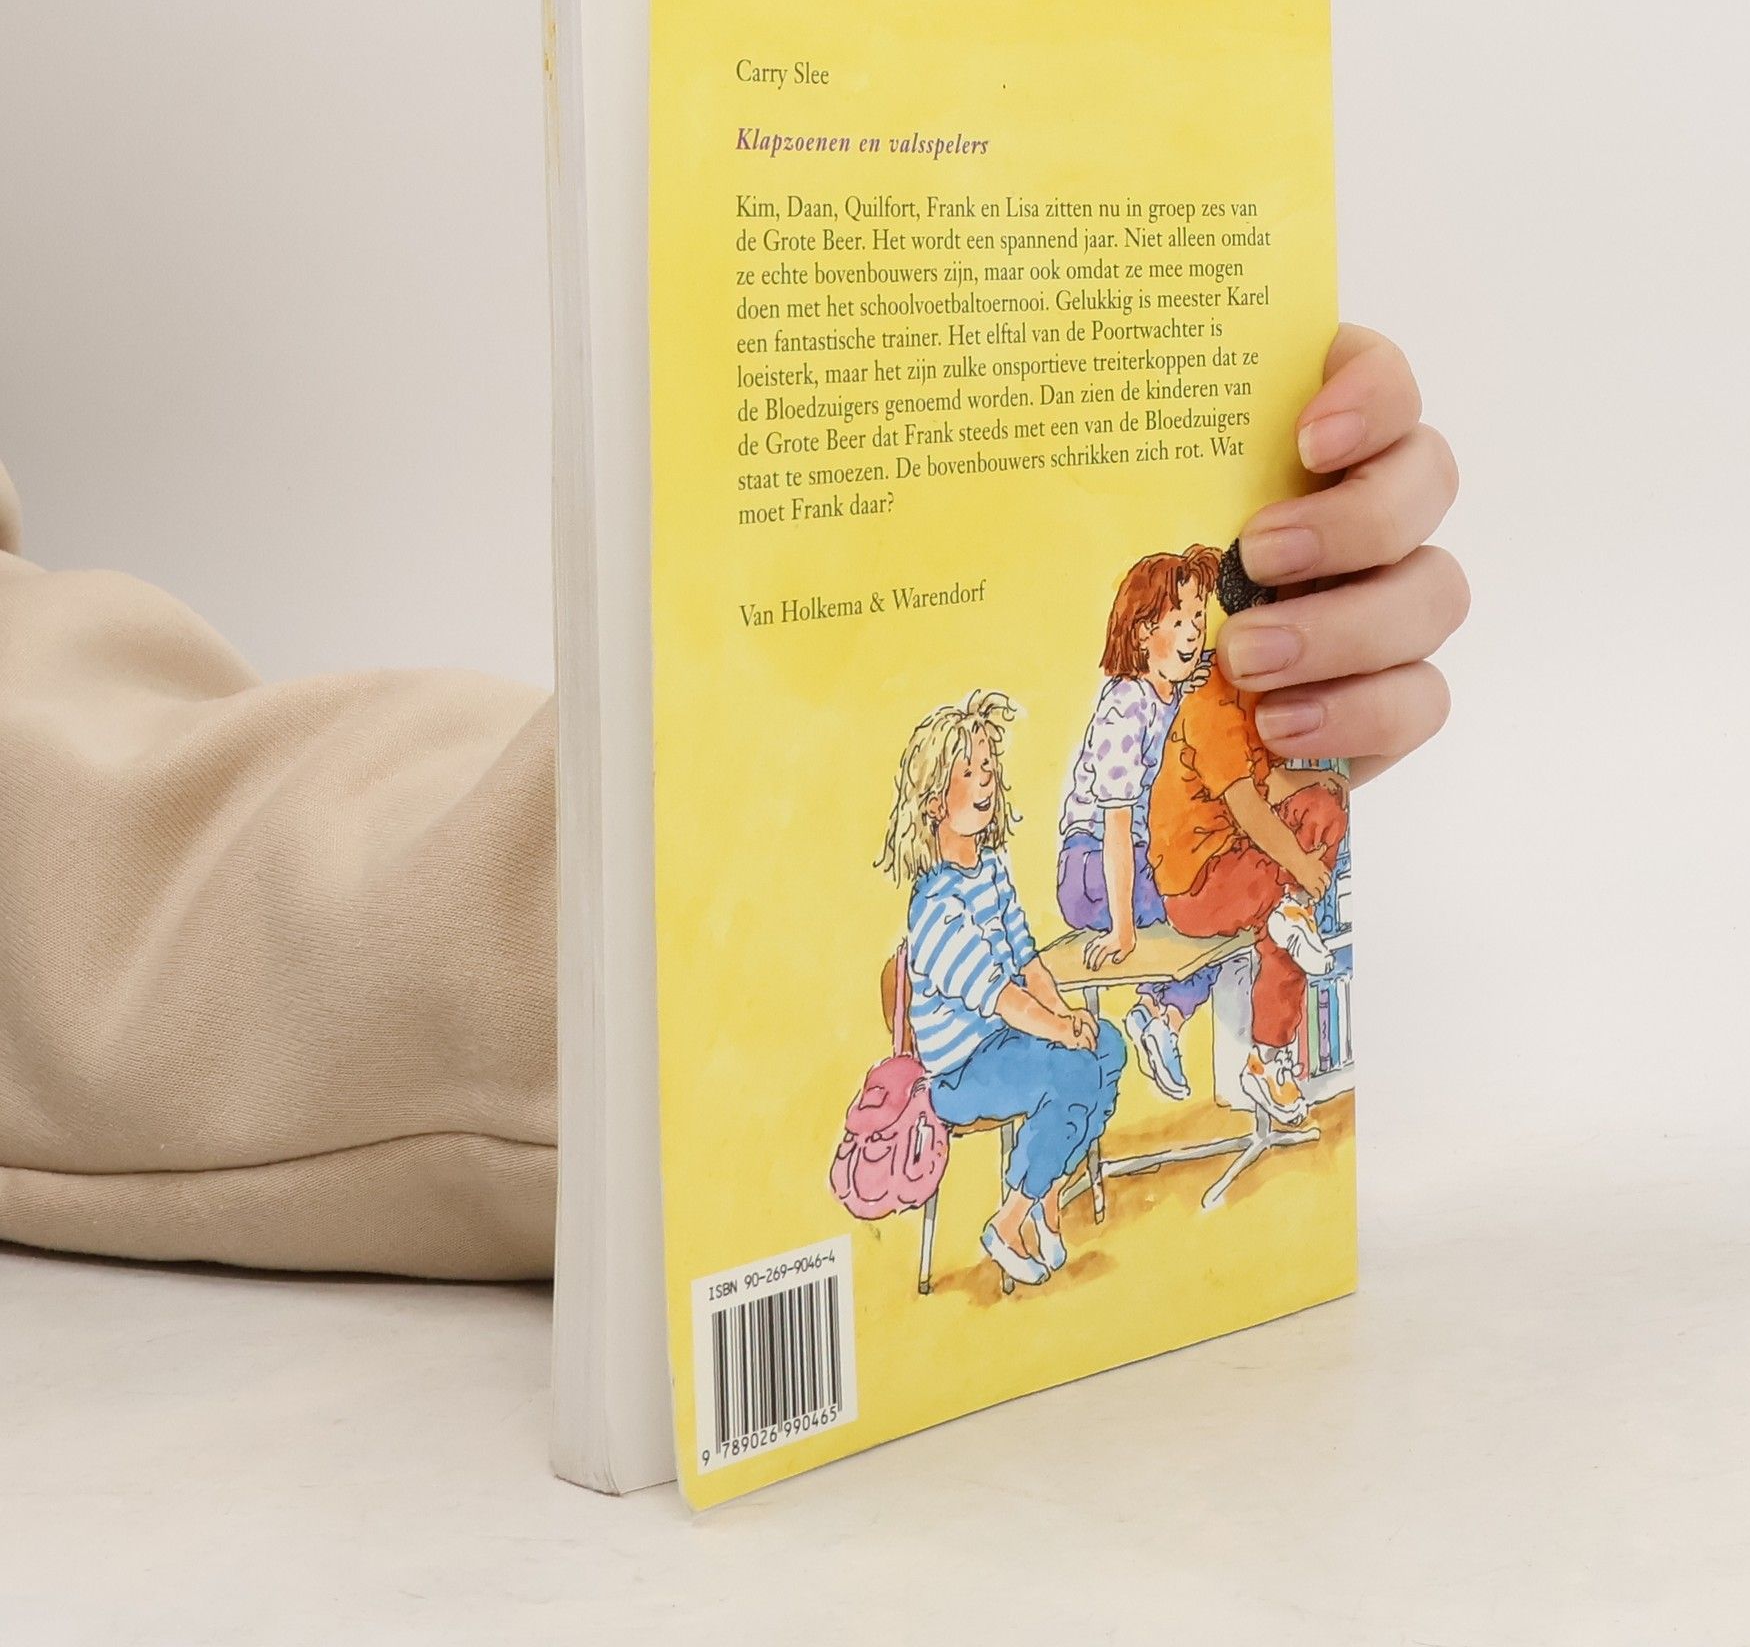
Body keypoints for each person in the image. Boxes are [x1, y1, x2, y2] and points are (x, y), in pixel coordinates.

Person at [0, 325, 1465, 1278]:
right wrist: (632, 912)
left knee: (1174, 955)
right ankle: (1042, 1181)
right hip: (998, 971)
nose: (988, 799)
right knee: (1122, 997)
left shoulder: (1035, 816)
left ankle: (1162, 1049)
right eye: (973, 786)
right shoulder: (1007, 832)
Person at [877, 691, 1127, 1288]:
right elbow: (1000, 996)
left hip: (1009, 1044)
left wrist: (1067, 1014)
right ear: (934, 800)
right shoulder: (935, 905)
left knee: (1108, 1047)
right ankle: (1008, 1222)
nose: (985, 780)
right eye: (967, 771)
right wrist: (1058, 1031)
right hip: (959, 1072)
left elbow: (1026, 960)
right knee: (1071, 1069)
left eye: (988, 766)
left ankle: (1045, 1197)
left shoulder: (991, 870)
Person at [1056, 543, 1223, 1100]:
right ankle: (1158, 1014)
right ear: (1142, 632)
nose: (1193, 632)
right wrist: (1122, 929)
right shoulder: (1125, 707)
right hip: (1093, 868)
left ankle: (1160, 1018)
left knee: (1217, 906)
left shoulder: (1176, 691)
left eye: (1198, 616)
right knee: (1201, 907)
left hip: (1145, 860)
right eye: (1177, 621)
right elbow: (1117, 825)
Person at [1149, 663, 1349, 1126]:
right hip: (1198, 887)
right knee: (1284, 907)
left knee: (1323, 812)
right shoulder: (1210, 707)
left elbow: (1267, 784)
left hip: (1248, 866)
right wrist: (1301, 866)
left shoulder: (1255, 704)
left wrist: (1318, 782)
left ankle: (1267, 1059)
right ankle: (1290, 909)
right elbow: (1250, 807)